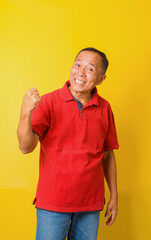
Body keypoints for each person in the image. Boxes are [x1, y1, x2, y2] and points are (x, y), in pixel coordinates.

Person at [17, 47, 119, 240]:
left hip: (90, 203)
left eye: (90, 69)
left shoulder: (105, 108)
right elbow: (25, 147)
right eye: (78, 64)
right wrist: (25, 113)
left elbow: (107, 154)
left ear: (101, 79)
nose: (80, 72)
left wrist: (114, 196)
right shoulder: (48, 102)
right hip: (53, 202)